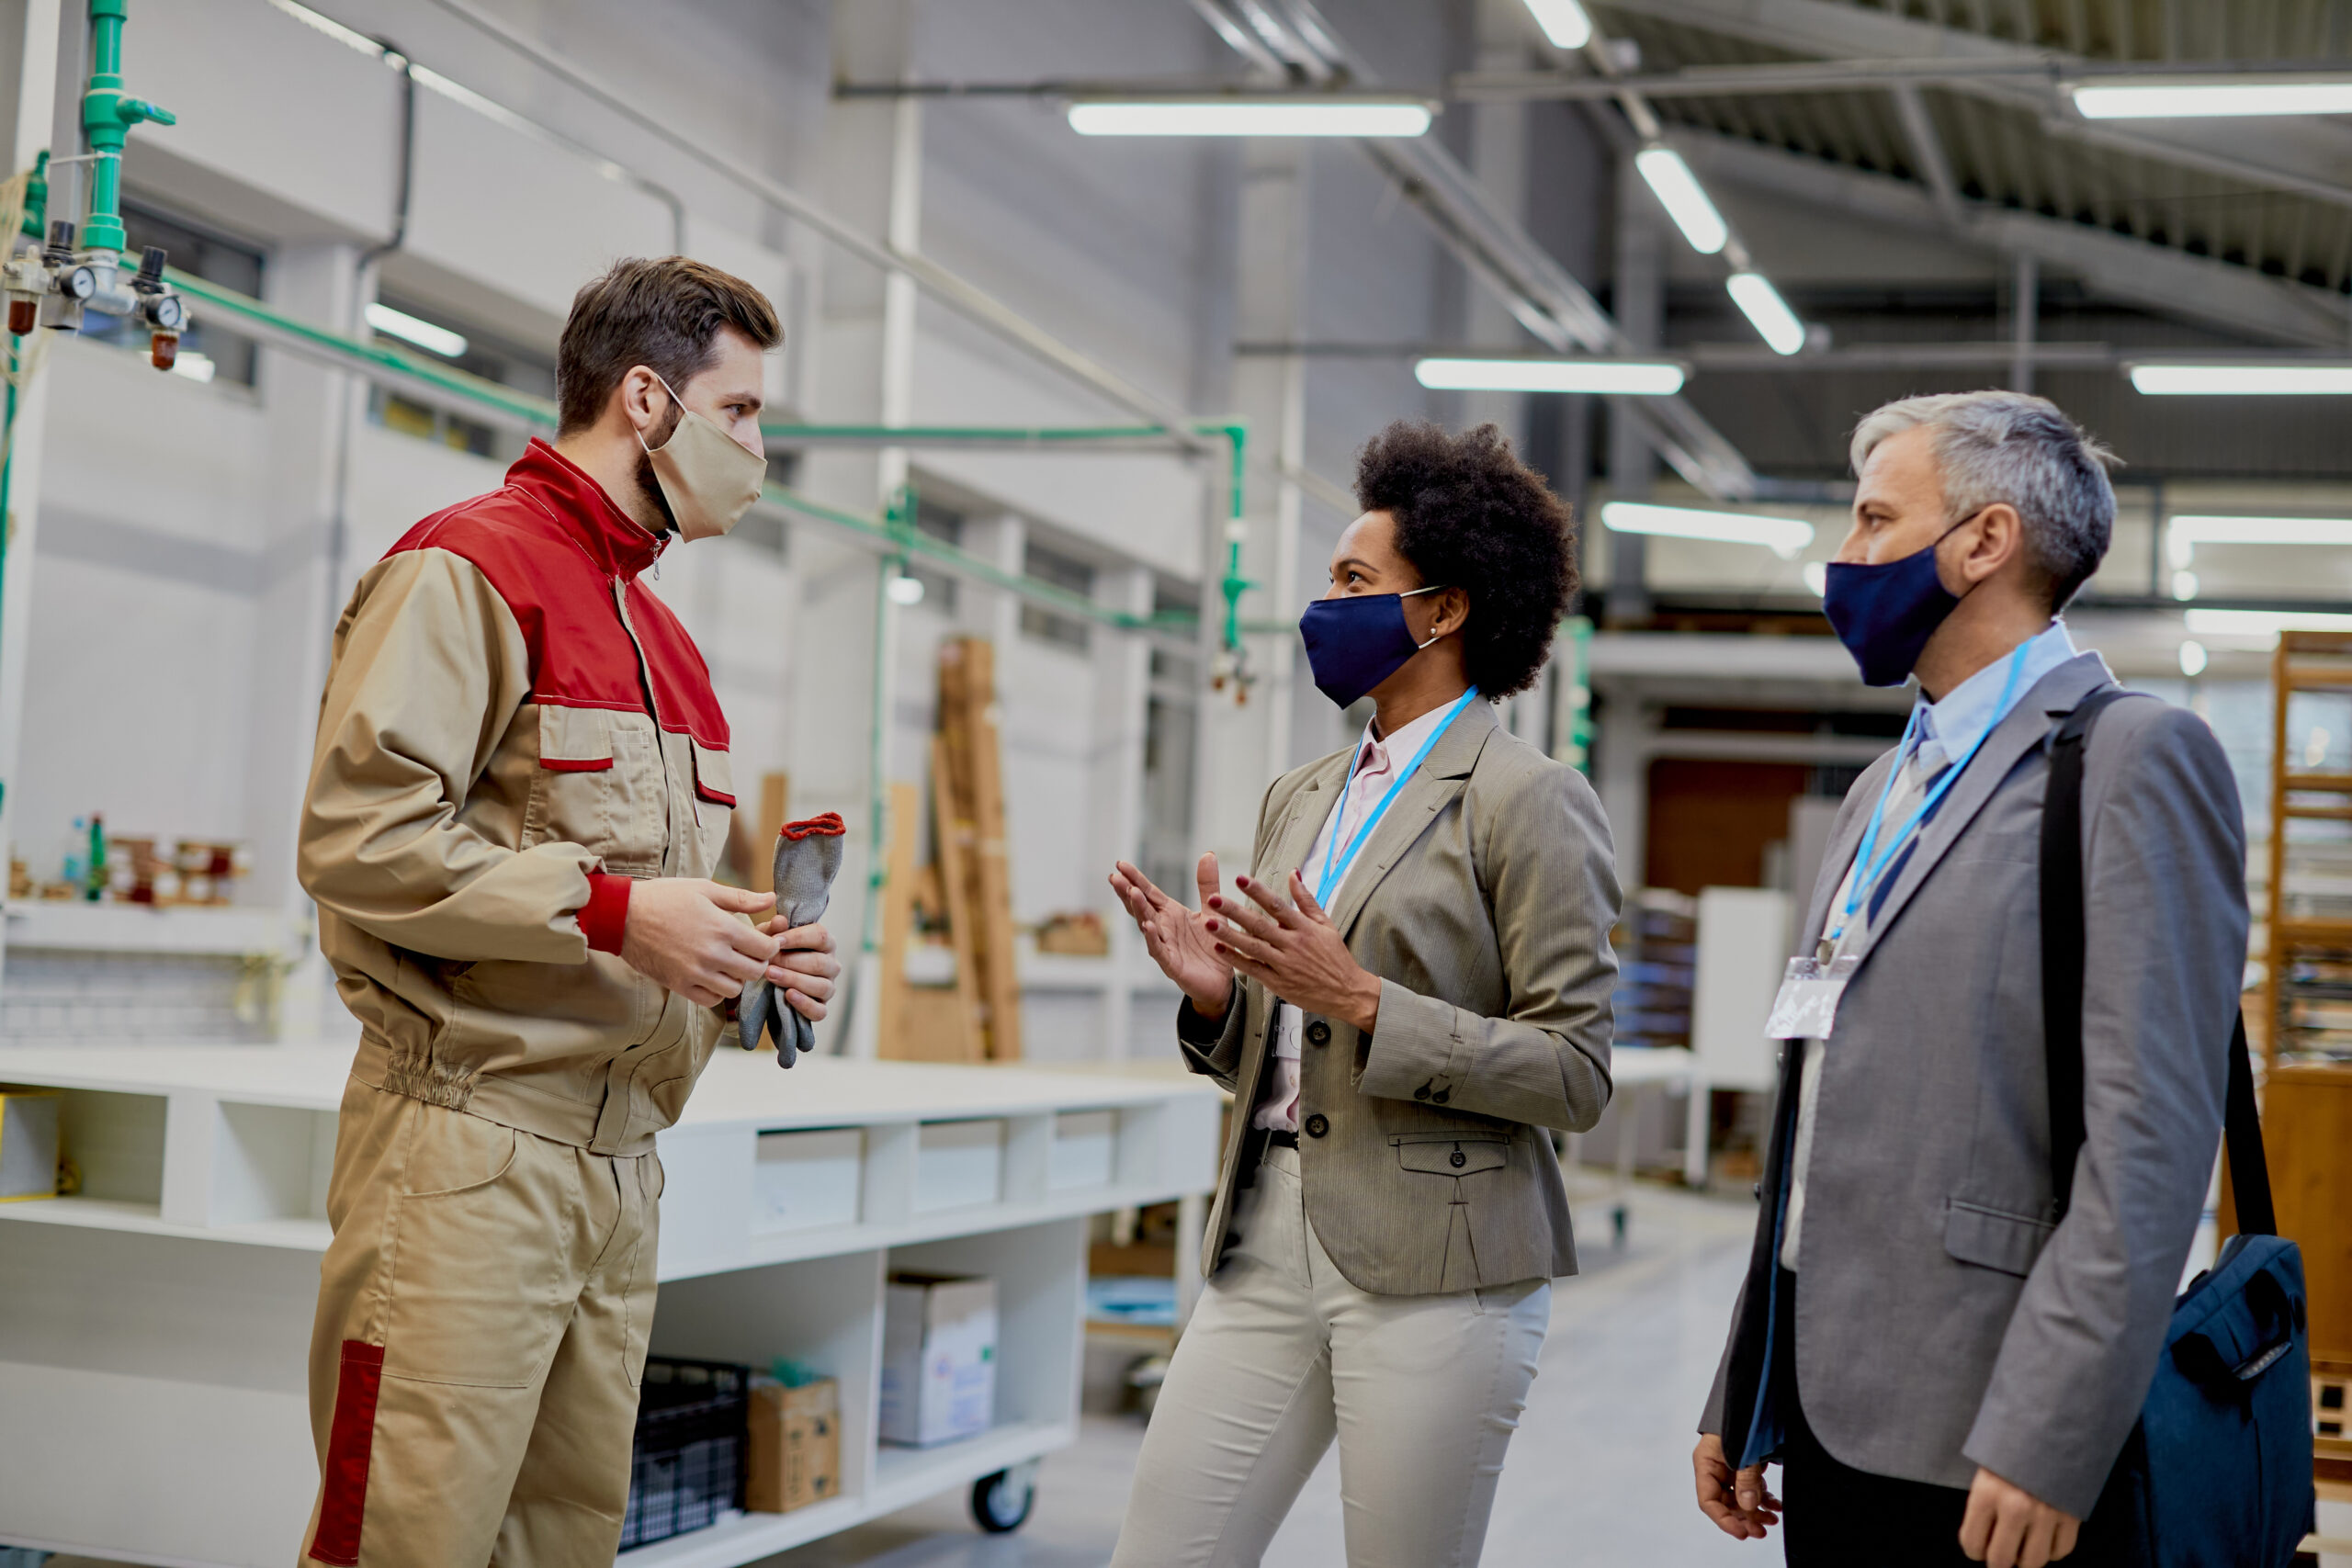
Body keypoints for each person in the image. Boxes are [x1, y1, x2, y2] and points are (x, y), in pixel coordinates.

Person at [292, 256, 842, 1565]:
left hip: (618, 1167)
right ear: (648, 401)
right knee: (406, 1541)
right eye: (745, 411)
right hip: (470, 1157)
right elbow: (359, 838)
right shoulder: (466, 568)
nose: (761, 448)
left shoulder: (668, 643)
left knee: (559, 1541)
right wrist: (611, 911)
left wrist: (745, 961)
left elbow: (634, 902)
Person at [1690, 391, 2247, 1568]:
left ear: (1983, 542)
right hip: (1826, 1413)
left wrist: (2053, 1430)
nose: (1841, 560)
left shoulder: (2130, 758)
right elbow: (1815, 1113)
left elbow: (2150, 1140)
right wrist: (1746, 1379)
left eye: (1872, 521)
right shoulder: (1876, 789)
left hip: (1994, 1433)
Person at [1107, 421, 1619, 1568]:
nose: (1322, 605)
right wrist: (1214, 1003)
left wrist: (1368, 1000)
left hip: (1439, 1263)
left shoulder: (1526, 799)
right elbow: (1285, 1036)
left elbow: (1575, 1071)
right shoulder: (1304, 793)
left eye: (1353, 580)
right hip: (1264, 1232)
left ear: (1442, 611)